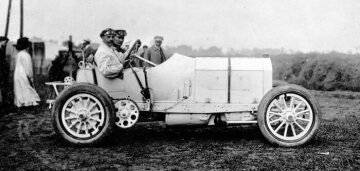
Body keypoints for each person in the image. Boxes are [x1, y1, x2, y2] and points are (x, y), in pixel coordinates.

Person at [13, 37, 40, 107]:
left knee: (19, 88)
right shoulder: (26, 55)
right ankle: (29, 102)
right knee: (27, 87)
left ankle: (20, 103)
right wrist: (30, 76)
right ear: (27, 47)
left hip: (17, 74)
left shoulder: (18, 54)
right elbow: (28, 68)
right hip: (24, 74)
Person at [0, 36, 10, 107]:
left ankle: (3, 101)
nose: (6, 44)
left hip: (2, 71)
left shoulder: (2, 49)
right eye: (5, 42)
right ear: (1, 41)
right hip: (1, 70)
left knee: (3, 86)